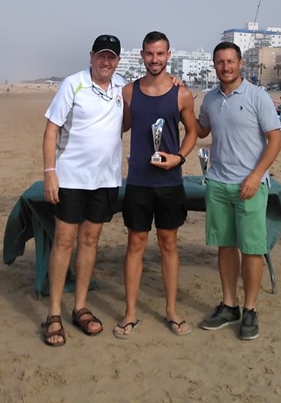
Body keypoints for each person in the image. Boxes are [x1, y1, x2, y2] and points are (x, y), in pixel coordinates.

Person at [40, 34, 126, 347]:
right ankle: (54, 312)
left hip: (105, 180)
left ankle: (80, 306)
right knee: (64, 241)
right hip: (71, 178)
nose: (106, 61)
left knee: (90, 241)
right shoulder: (73, 84)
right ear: (91, 56)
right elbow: (51, 130)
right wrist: (50, 173)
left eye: (111, 57)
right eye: (101, 55)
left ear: (118, 61)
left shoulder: (122, 88)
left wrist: (174, 82)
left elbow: (148, 92)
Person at [115, 31, 199, 339]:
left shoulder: (181, 94)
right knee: (135, 244)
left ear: (168, 55)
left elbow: (192, 132)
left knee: (169, 245)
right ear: (142, 55)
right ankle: (130, 312)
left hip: (169, 182)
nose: (155, 59)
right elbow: (120, 125)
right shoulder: (128, 92)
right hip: (138, 181)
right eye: (150, 54)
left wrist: (179, 157)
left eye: (160, 54)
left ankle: (172, 311)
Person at [197, 42, 281, 341]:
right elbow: (202, 130)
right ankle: (229, 305)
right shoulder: (210, 99)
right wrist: (179, 104)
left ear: (240, 63)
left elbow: (275, 140)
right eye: (220, 62)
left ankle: (250, 309)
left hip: (250, 185)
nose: (226, 67)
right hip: (218, 183)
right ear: (214, 65)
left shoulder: (257, 96)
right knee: (225, 246)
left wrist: (256, 176)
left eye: (230, 61)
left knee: (252, 249)